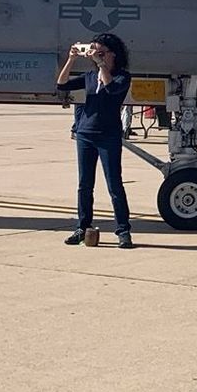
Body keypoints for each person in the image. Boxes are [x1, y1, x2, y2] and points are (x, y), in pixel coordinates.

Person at [57, 33, 133, 247]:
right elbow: (62, 84)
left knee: (114, 184)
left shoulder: (122, 77)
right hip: (86, 133)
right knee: (85, 184)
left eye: (101, 52)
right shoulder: (90, 76)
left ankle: (123, 230)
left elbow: (111, 89)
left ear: (113, 54)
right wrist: (71, 59)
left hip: (108, 135)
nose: (97, 56)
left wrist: (101, 65)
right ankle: (82, 227)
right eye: (95, 52)